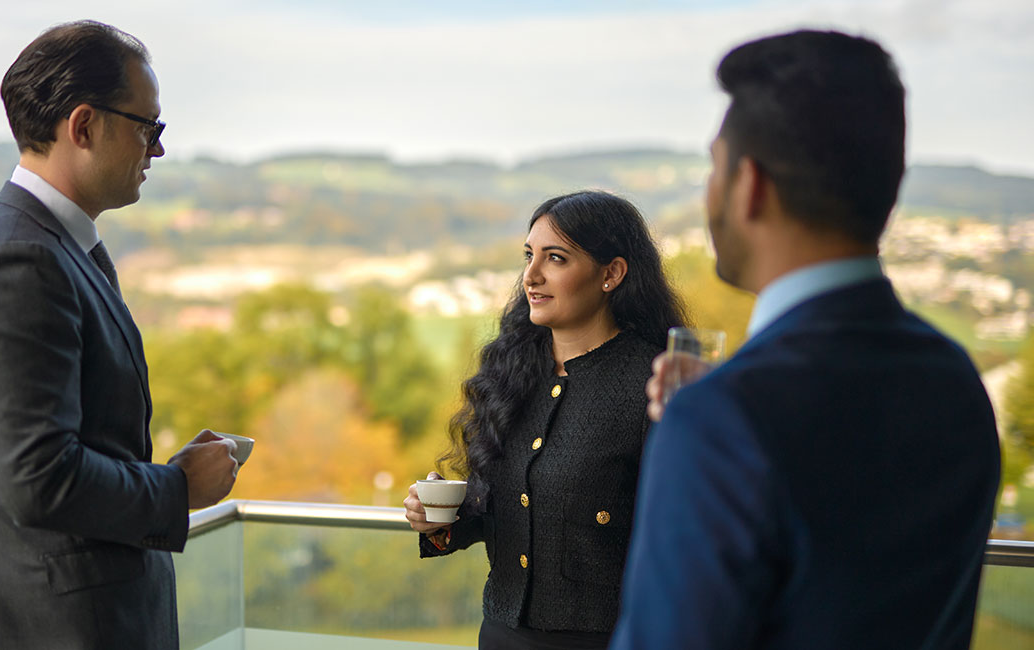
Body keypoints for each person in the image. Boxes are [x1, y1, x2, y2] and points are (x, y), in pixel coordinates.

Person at [609, 30, 1001, 649]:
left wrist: (716, 421)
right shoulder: (955, 380)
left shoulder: (720, 425)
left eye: (715, 168)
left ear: (751, 187)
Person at [0, 21, 241, 649]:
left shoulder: (49, 247)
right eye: (148, 126)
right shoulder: (16, 259)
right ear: (84, 126)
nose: (158, 149)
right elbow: (37, 478)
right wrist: (177, 488)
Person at [404, 191, 687, 649]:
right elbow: (498, 504)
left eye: (555, 258)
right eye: (529, 256)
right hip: (500, 635)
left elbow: (682, 537)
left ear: (611, 273)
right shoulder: (509, 375)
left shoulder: (656, 384)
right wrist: (439, 522)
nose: (531, 276)